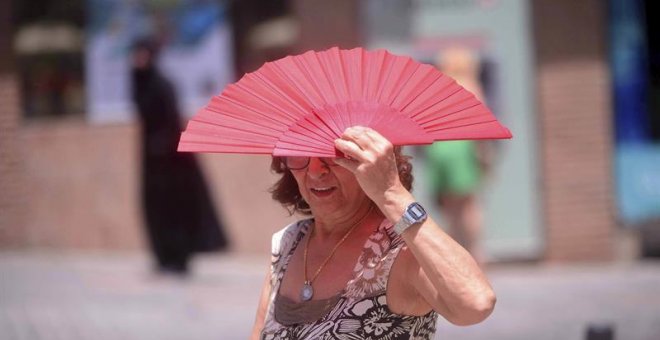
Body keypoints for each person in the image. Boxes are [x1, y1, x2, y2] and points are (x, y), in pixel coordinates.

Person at [251, 126, 496, 339]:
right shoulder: (288, 243)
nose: (316, 170)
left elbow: (476, 303)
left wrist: (391, 192)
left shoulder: (398, 248)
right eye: (299, 152)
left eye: (333, 153)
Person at [131, 39, 228, 276]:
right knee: (156, 208)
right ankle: (164, 256)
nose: (137, 60)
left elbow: (171, 123)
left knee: (174, 208)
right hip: (152, 162)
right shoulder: (141, 84)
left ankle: (179, 256)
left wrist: (164, 147)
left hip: (172, 163)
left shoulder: (163, 85)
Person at [425, 48, 494, 262]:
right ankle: (474, 252)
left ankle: (454, 253)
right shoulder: (472, 87)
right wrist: (484, 156)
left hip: (438, 148)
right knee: (469, 204)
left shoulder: (438, 89)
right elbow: (482, 127)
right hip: (463, 149)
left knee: (449, 207)